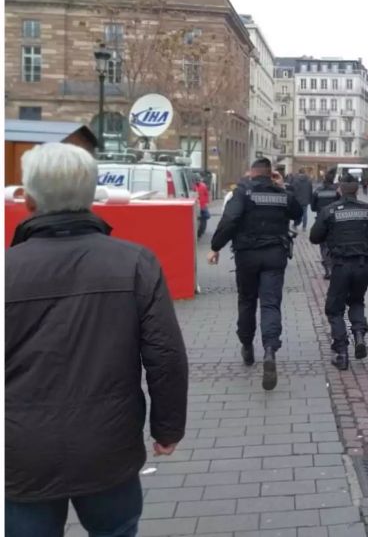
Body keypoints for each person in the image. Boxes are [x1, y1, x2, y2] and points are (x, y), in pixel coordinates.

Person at [5, 143, 189, 537]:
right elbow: (165, 355)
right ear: (91, 195)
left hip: (20, 451)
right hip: (109, 444)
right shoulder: (134, 262)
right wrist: (167, 428)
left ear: (29, 198)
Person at [209, 157, 303, 391]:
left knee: (247, 301)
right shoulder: (281, 194)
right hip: (275, 255)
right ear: (271, 173)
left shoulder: (243, 193)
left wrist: (215, 246)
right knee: (271, 304)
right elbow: (298, 212)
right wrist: (283, 187)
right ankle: (270, 350)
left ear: (252, 173)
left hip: (247, 255)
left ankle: (247, 346)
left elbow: (230, 219)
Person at [310, 174, 368, 369]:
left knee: (334, 308)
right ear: (357, 190)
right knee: (356, 301)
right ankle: (359, 334)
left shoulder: (330, 211)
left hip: (340, 266)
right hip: (363, 266)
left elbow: (314, 237)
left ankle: (342, 351)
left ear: (340, 190)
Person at [311, 168, 340, 278]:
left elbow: (313, 207)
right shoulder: (336, 192)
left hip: (321, 220)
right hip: (335, 221)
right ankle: (333, 265)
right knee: (333, 243)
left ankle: (327, 267)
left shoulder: (317, 191)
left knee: (323, 245)